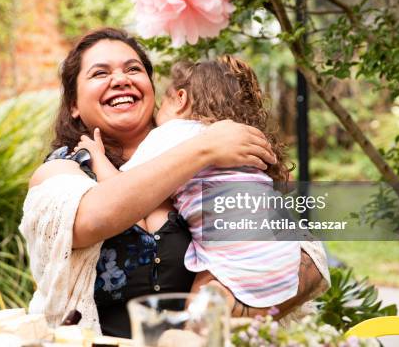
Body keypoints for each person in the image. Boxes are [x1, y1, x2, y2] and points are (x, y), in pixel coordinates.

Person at [19, 28, 329, 338]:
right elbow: (89, 219)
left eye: (133, 69)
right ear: (73, 103)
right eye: (100, 73)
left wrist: (225, 310)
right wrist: (205, 148)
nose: (121, 79)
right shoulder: (64, 168)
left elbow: (308, 255)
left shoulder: (218, 157)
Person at [75, 56, 301, 311]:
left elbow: (122, 187)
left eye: (164, 102)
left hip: (233, 265)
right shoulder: (240, 140)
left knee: (191, 330)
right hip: (284, 259)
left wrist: (96, 157)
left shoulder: (171, 134)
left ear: (180, 99)